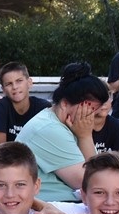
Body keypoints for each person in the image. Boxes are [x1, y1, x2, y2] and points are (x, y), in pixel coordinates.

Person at [16, 63, 106, 201]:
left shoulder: (70, 125)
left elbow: (98, 172)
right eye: (88, 109)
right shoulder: (49, 128)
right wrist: (85, 136)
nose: (90, 116)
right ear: (65, 104)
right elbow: (90, 182)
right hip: (49, 205)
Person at [0, 62, 51, 147]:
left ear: (29, 82)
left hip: (33, 155)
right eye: (9, 84)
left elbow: (49, 143)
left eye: (19, 81)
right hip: (5, 155)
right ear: (3, 90)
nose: (15, 87)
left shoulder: (43, 107)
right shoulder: (1, 107)